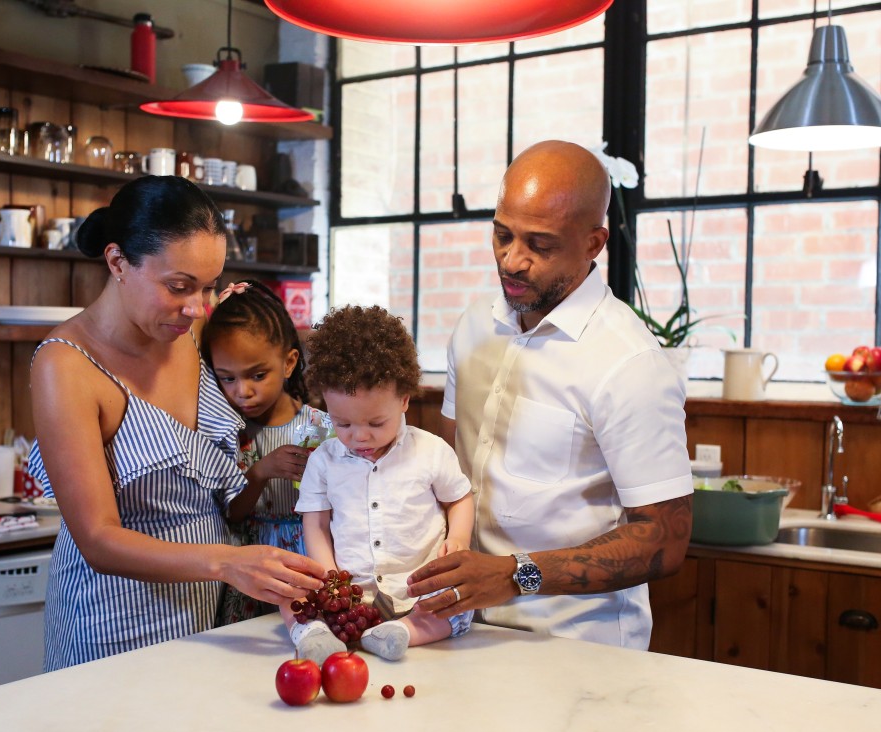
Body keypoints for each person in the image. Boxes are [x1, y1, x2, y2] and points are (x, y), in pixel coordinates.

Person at [27, 176, 324, 671]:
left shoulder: (184, 331)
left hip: (209, 612)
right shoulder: (66, 366)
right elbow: (98, 539)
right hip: (115, 621)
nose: (197, 307)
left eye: (208, 287)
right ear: (118, 261)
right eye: (179, 286)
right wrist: (227, 561)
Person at [406, 140, 694, 650]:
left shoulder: (629, 363)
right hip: (461, 629)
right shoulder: (473, 326)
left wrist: (515, 575)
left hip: (577, 645)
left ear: (593, 243)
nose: (512, 260)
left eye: (540, 245)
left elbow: (664, 540)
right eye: (502, 235)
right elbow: (448, 470)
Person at [287, 305, 476, 664]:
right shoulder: (324, 461)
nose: (359, 436)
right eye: (342, 424)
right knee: (291, 594)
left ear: (404, 399)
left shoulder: (430, 452)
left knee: (457, 605)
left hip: (416, 588)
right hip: (350, 595)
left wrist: (459, 539)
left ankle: (403, 633)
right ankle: (313, 633)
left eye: (375, 423)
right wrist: (329, 579)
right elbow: (315, 523)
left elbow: (460, 498)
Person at [200, 280, 332, 623]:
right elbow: (233, 515)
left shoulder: (318, 427)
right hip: (252, 569)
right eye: (226, 378)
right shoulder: (230, 432)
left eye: (257, 375)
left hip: (310, 558)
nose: (242, 392)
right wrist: (259, 472)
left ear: (289, 363)